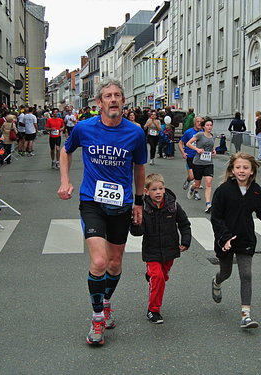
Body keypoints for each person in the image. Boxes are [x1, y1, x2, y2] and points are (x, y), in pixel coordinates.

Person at [58, 78, 147, 346]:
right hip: (92, 202)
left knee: (115, 262)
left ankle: (106, 301)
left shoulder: (135, 133)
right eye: (108, 95)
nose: (113, 100)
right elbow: (66, 150)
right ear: (99, 103)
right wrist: (64, 180)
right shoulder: (84, 128)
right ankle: (97, 318)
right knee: (98, 262)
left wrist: (139, 202)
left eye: (117, 95)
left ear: (123, 101)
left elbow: (139, 168)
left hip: (121, 204)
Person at [210, 152, 261, 328]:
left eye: (245, 168)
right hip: (226, 239)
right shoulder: (223, 191)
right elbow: (216, 218)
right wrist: (225, 237)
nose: (241, 171)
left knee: (246, 275)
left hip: (246, 238)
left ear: (252, 171)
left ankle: (246, 316)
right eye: (238, 167)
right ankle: (216, 281)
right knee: (225, 273)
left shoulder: (256, 190)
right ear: (232, 170)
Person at [130, 173, 191, 324]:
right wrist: (135, 223)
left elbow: (184, 224)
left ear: (164, 189)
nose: (158, 192)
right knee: (158, 278)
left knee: (162, 277)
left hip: (170, 249)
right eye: (154, 189)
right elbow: (138, 232)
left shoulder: (173, 205)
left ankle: (150, 276)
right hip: (152, 251)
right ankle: (153, 310)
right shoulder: (143, 208)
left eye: (160, 188)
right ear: (146, 191)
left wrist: (185, 241)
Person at [186, 117, 216, 212]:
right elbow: (188, 143)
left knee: (208, 182)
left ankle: (208, 204)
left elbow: (212, 147)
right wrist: (197, 149)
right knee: (198, 185)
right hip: (198, 163)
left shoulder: (213, 136)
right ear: (203, 127)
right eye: (207, 125)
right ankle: (193, 187)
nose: (209, 127)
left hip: (208, 163)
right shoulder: (199, 135)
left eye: (211, 125)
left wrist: (213, 151)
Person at [178, 116, 203, 190]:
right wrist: (183, 153)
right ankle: (189, 180)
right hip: (190, 156)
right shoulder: (189, 132)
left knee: (198, 174)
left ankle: (196, 188)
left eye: (200, 122)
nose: (199, 123)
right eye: (197, 121)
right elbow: (180, 143)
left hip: (199, 156)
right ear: (194, 123)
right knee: (192, 176)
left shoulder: (203, 132)